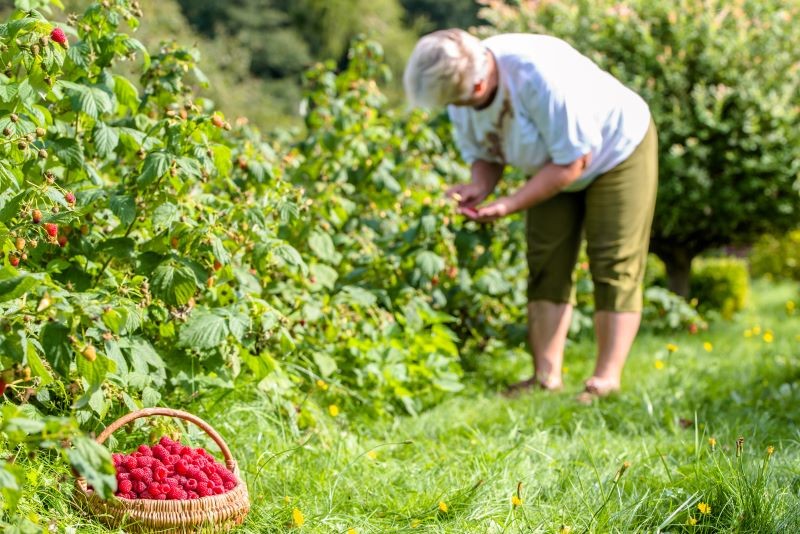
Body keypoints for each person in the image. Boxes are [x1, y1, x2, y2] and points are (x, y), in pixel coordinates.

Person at [403, 29, 658, 401]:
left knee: (613, 261)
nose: (454, 110)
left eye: (457, 102)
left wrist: (509, 204)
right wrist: (479, 185)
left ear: (476, 88)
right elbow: (486, 152)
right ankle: (546, 377)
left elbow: (574, 161)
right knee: (546, 261)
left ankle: (605, 380)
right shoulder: (460, 92)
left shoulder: (539, 75)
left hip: (614, 152)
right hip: (549, 163)